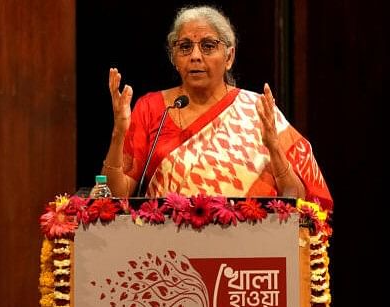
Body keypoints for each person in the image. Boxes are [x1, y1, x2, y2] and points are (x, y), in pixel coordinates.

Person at [100, 5, 333, 210]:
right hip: (166, 251)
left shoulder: (257, 110)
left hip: (248, 249)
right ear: (174, 57)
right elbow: (116, 196)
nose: (195, 56)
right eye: (185, 47)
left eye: (208, 46)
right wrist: (118, 133)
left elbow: (298, 200)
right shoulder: (151, 108)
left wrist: (273, 148)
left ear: (229, 56)